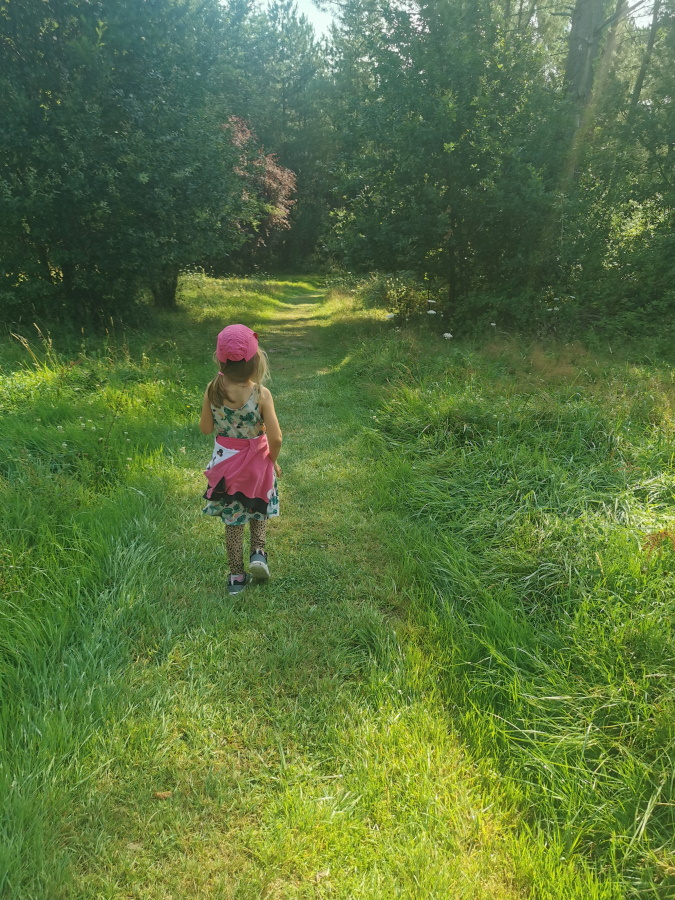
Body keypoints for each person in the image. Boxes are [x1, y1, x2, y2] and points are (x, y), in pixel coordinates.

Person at [200, 324, 282, 596]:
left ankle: (236, 577)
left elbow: (205, 428)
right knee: (258, 507)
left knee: (233, 521)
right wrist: (272, 459)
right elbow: (277, 438)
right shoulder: (261, 394)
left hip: (227, 467)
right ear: (255, 360)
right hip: (257, 464)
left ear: (221, 359)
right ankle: (258, 553)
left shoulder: (213, 390)